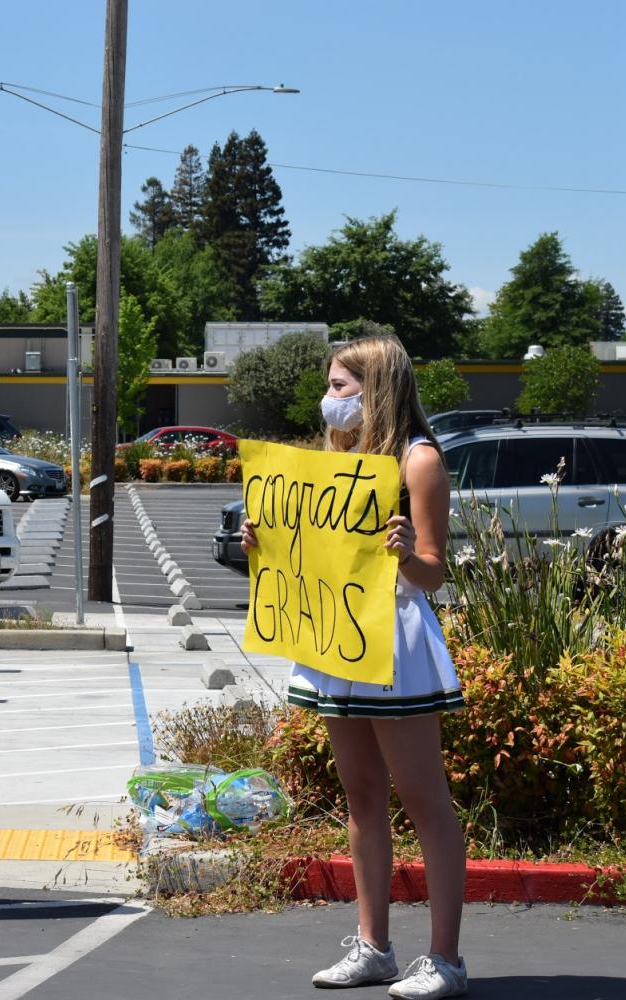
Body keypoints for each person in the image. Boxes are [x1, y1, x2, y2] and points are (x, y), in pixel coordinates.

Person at [242, 335, 468, 999]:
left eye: (341, 386)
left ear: (378, 389)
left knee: (425, 801)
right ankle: (373, 946)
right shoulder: (332, 461)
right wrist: (263, 540)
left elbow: (433, 572)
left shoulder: (416, 461)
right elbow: (309, 556)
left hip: (393, 644)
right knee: (361, 797)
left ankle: (445, 960)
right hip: (335, 642)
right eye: (332, 385)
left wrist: (403, 552)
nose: (330, 398)